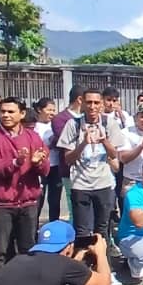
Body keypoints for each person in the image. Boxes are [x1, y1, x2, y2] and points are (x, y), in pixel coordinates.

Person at [0, 97, 51, 285]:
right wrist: (14, 163)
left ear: (22, 114)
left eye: (11, 112)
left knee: (28, 249)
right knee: (0, 251)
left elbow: (45, 170)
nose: (6, 115)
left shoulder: (32, 137)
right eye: (3, 111)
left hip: (27, 203)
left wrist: (37, 163)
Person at [58, 89, 125, 245]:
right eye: (89, 102)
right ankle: (83, 267)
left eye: (96, 102)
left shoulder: (109, 123)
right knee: (82, 231)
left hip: (104, 184)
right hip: (81, 185)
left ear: (101, 104)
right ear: (82, 102)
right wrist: (84, 143)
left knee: (102, 230)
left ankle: (103, 266)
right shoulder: (72, 124)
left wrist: (104, 141)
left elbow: (115, 155)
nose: (93, 106)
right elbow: (68, 159)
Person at [51, 85, 85, 221]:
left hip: (92, 171)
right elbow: (65, 142)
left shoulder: (88, 117)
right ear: (80, 99)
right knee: (75, 208)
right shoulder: (60, 119)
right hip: (70, 170)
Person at [33, 98, 62, 219]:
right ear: (40, 110)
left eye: (54, 110)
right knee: (38, 199)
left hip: (55, 167)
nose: (52, 113)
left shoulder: (55, 125)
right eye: (49, 109)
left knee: (55, 200)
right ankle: (33, 228)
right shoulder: (33, 127)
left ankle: (54, 224)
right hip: (40, 168)